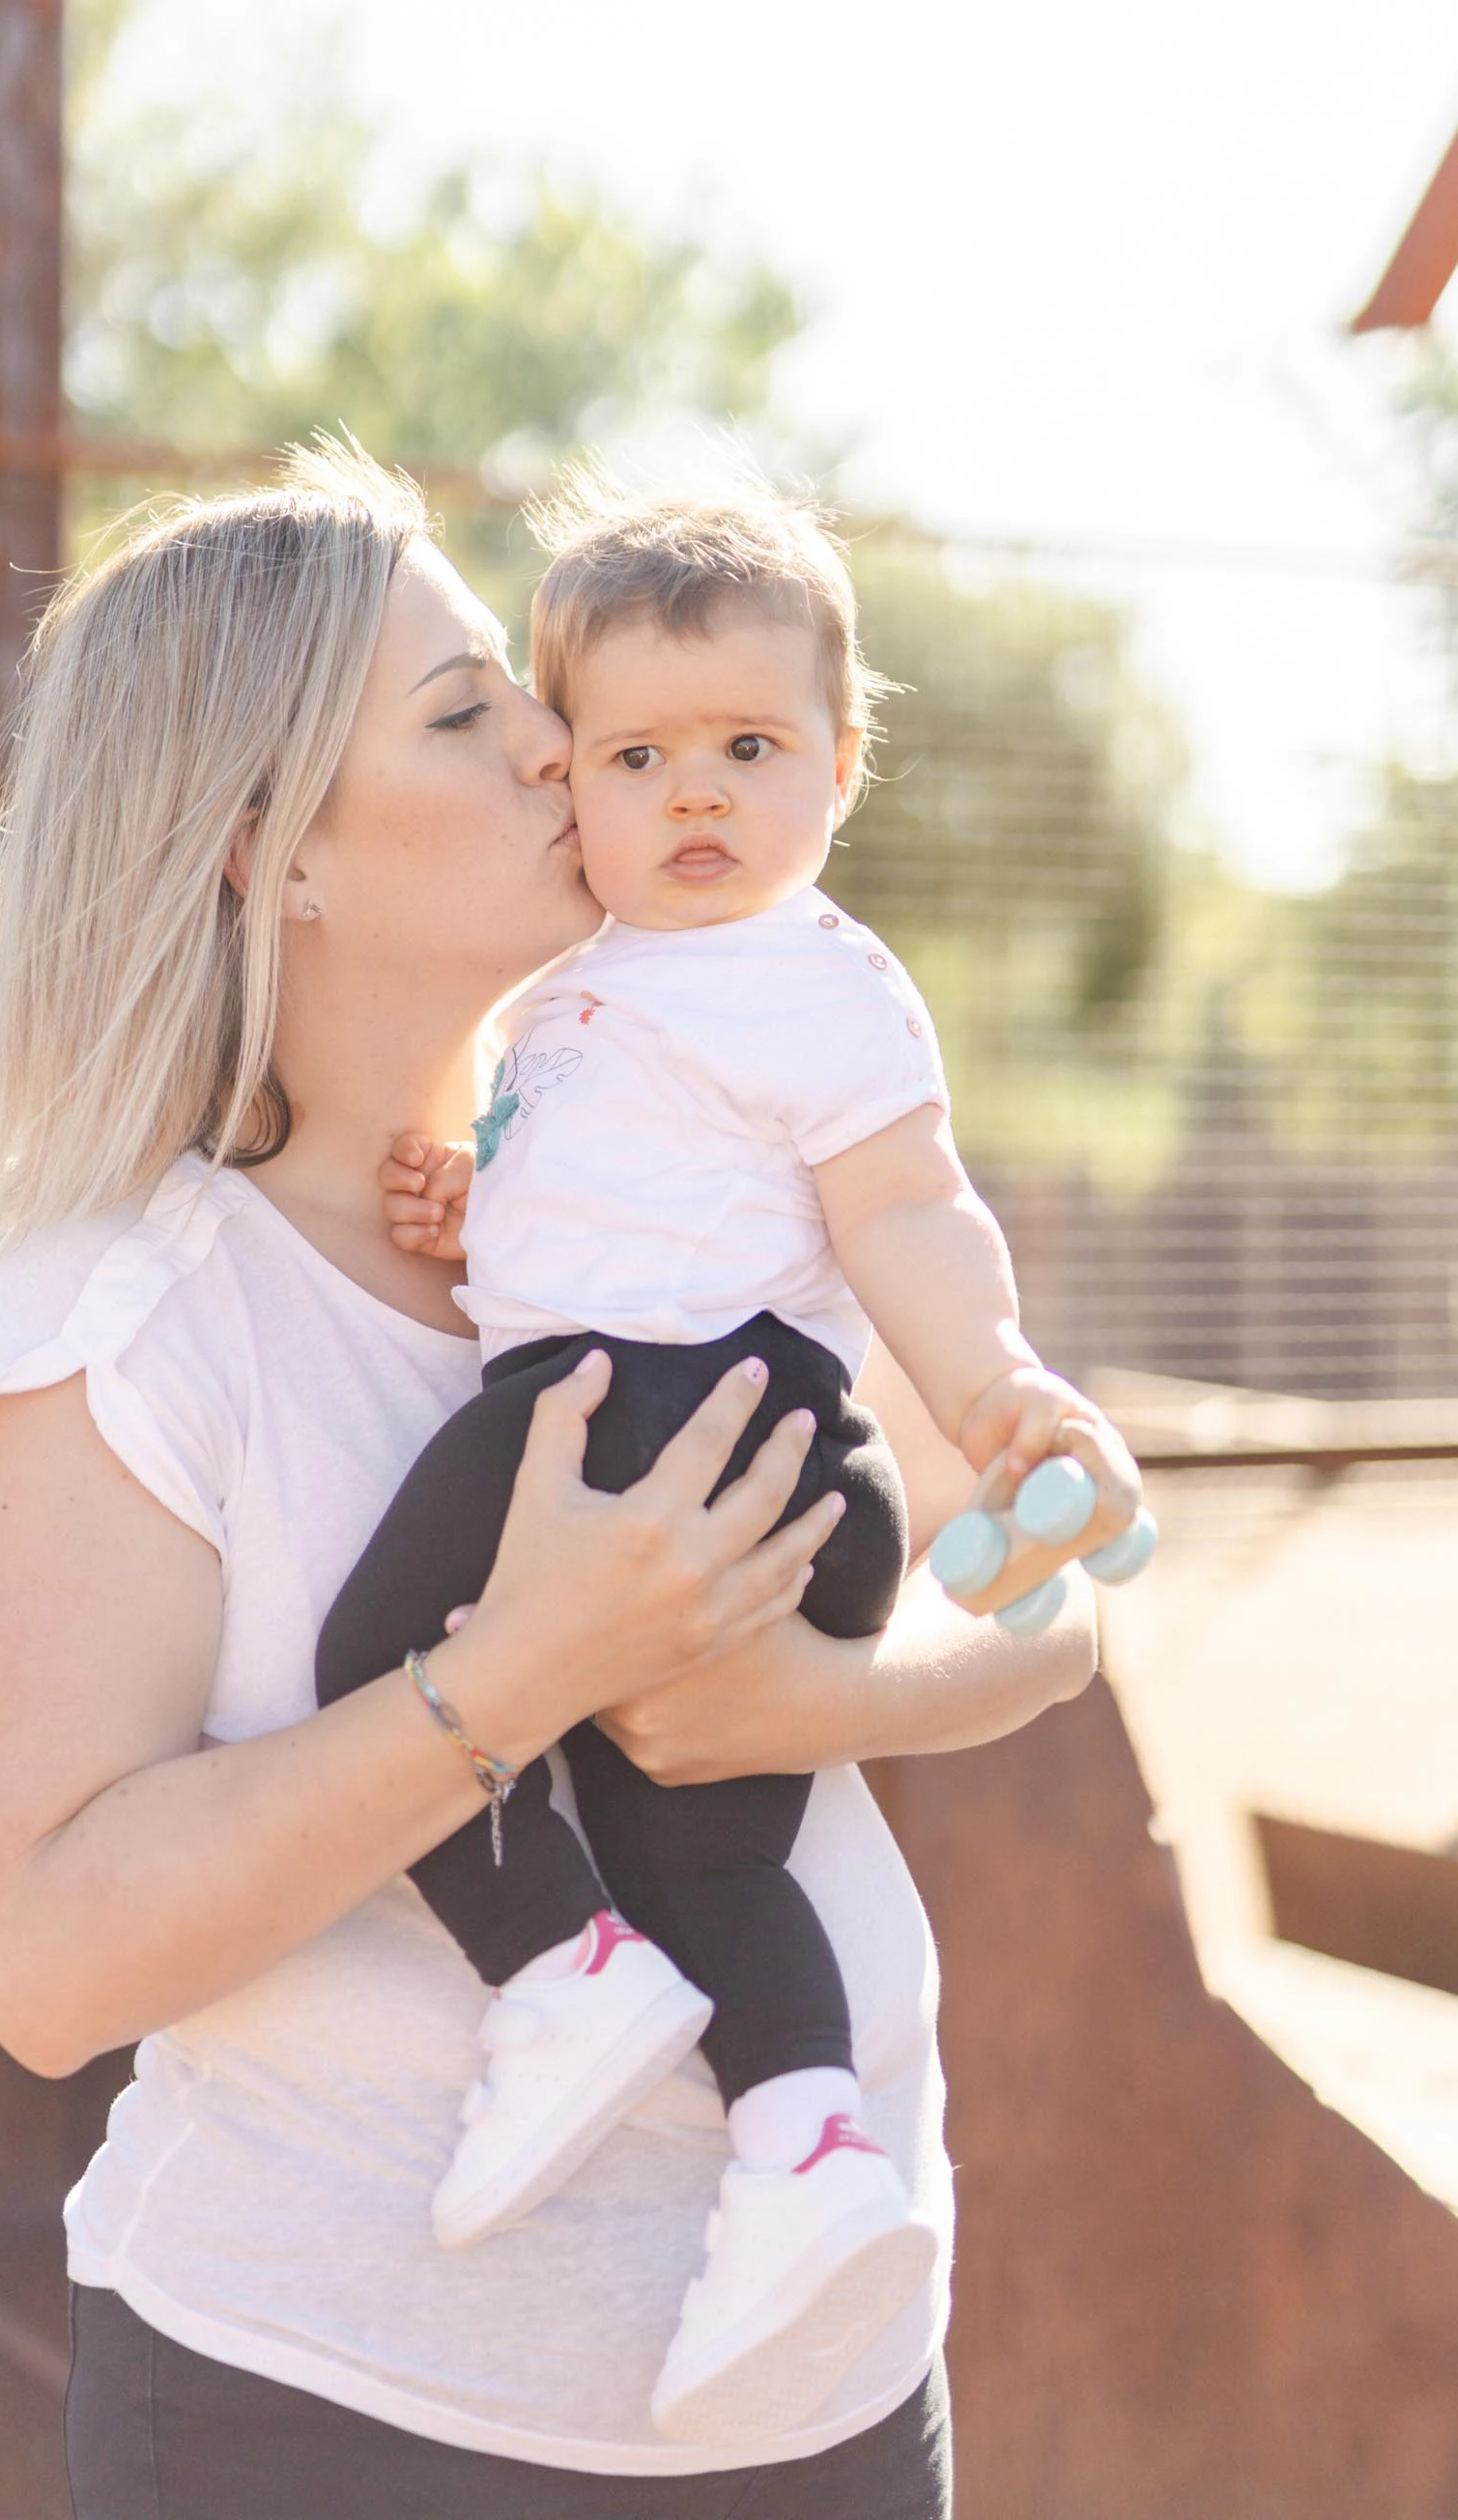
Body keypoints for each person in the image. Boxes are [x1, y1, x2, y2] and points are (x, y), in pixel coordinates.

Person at [0, 441, 1099, 2520]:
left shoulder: (690, 1164)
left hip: (832, 2388)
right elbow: (49, 1966)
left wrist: (818, 1706)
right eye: (466, 711)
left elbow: (1047, 1584)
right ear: (277, 856)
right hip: (349, 2426)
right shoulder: (120, 1321)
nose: (559, 746)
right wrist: (504, 1681)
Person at [314, 474, 1142, 2445]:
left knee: (375, 1672)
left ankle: (562, 1979)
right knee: (704, 1839)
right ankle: (802, 2147)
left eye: (749, 750)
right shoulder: (571, 997)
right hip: (706, 1419)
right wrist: (477, 1203)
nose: (695, 797)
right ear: (568, 784)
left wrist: (998, 1382)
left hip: (682, 1416)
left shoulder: (816, 976)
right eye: (638, 756)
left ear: (842, 771)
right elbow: (615, 1185)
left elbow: (911, 1213)